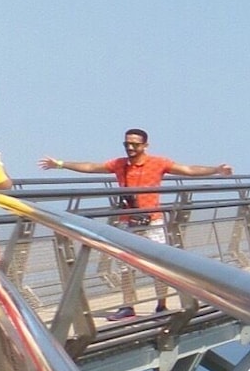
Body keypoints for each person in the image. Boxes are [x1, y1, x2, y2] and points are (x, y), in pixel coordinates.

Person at [40, 128, 232, 321]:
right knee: (125, 266)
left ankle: (161, 305)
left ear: (145, 145)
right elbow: (91, 167)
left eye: (135, 144)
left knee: (160, 265)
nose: (130, 147)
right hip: (127, 221)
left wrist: (216, 170)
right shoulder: (119, 164)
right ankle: (128, 306)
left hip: (153, 221)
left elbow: (188, 170)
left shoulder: (158, 163)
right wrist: (60, 164)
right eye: (127, 144)